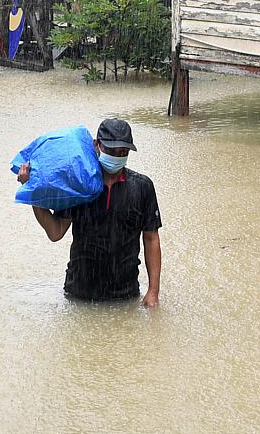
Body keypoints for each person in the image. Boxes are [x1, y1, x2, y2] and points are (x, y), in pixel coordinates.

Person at [16, 117, 162, 307]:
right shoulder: (77, 185)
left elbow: (151, 239)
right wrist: (33, 190)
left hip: (126, 295)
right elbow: (55, 232)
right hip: (79, 294)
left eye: (123, 152)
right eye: (111, 151)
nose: (117, 156)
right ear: (96, 145)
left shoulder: (142, 187)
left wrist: (153, 292)